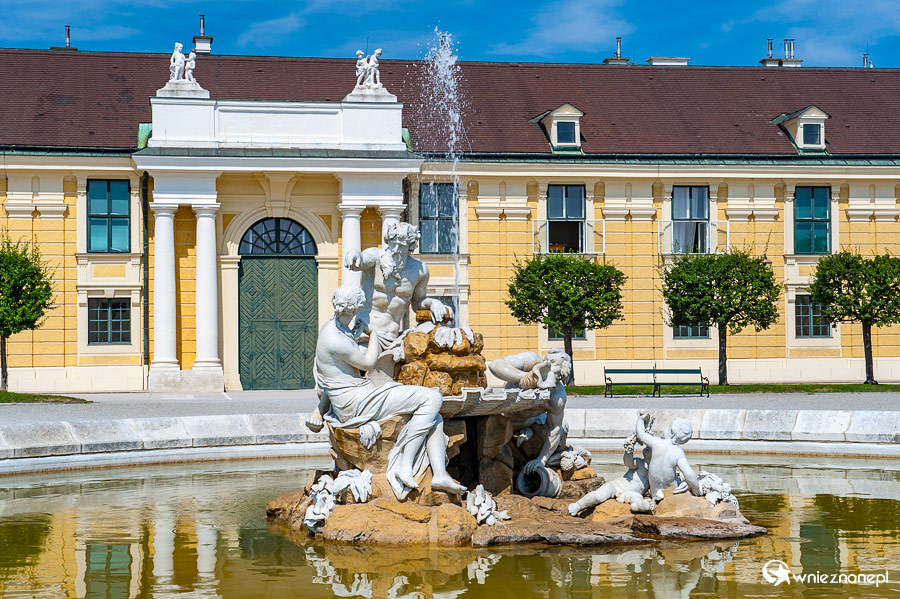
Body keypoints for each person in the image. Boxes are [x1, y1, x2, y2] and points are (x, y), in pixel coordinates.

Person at [307, 285, 466, 499]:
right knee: (432, 397)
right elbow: (369, 361)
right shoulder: (335, 340)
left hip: (359, 396)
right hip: (356, 404)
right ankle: (405, 465)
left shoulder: (334, 328)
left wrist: (356, 333)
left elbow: (335, 374)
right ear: (355, 309)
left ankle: (439, 474)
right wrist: (373, 334)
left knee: (433, 416)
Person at [344, 222, 452, 383]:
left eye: (402, 246)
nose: (396, 250)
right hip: (366, 333)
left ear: (410, 246)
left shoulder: (419, 270)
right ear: (389, 241)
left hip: (393, 336)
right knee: (356, 366)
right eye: (394, 244)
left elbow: (417, 302)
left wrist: (432, 303)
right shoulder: (376, 257)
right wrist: (354, 254)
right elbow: (362, 258)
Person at [487, 350, 571, 474]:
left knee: (563, 427)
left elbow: (555, 429)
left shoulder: (557, 396)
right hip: (499, 412)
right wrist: (529, 378)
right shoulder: (531, 360)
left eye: (555, 366)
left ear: (562, 375)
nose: (550, 368)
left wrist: (541, 460)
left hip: (522, 421)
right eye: (549, 362)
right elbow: (495, 365)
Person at [568, 433, 653, 516]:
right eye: (647, 447)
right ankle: (578, 505)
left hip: (629, 493)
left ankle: (639, 506)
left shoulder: (655, 471)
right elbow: (628, 462)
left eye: (650, 447)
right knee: (599, 496)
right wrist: (629, 450)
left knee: (636, 497)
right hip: (616, 486)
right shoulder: (639, 462)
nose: (647, 448)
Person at [635, 410, 701, 501]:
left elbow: (640, 434)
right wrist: (696, 489)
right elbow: (689, 473)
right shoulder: (677, 452)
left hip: (654, 491)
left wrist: (641, 419)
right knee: (684, 484)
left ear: (671, 431)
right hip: (671, 491)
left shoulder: (657, 443)